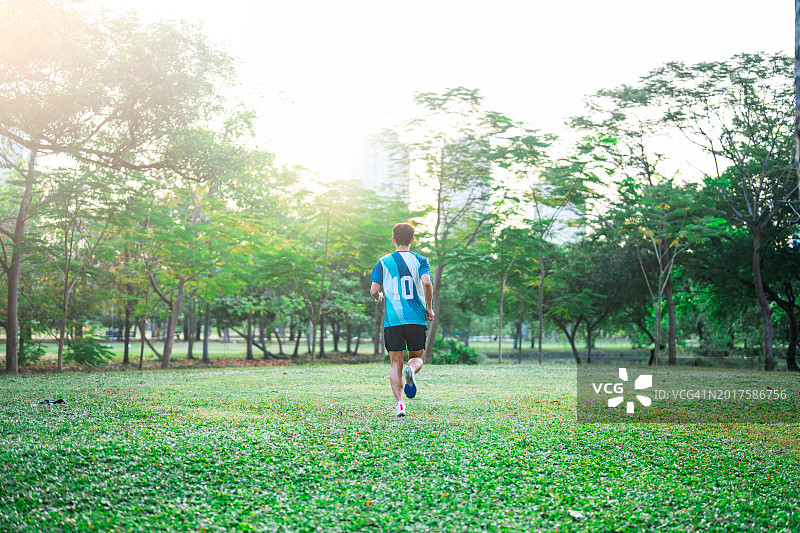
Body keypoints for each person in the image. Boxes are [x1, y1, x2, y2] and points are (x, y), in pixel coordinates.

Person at [370, 222, 435, 417]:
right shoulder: (421, 260)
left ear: (393, 239)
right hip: (416, 317)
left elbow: (373, 290)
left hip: (393, 319)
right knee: (416, 358)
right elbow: (427, 283)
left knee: (394, 363)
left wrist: (378, 297)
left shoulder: (383, 261)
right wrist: (429, 308)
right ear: (412, 240)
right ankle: (411, 371)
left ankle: (399, 404)